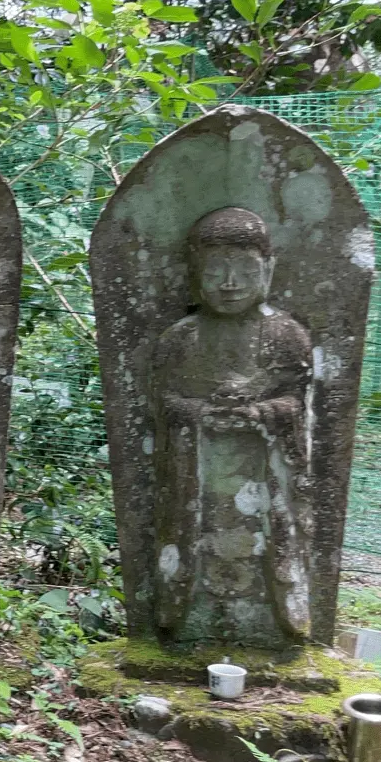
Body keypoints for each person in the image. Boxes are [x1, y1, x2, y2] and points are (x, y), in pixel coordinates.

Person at [151, 206, 312, 644]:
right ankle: (181, 613)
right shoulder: (181, 338)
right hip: (198, 471)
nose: (229, 282)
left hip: (261, 472)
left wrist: (261, 412)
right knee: (189, 540)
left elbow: (296, 399)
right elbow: (165, 401)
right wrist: (201, 412)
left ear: (268, 268)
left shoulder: (285, 334)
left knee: (271, 543)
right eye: (216, 269)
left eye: (244, 268)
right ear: (194, 272)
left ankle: (275, 620)